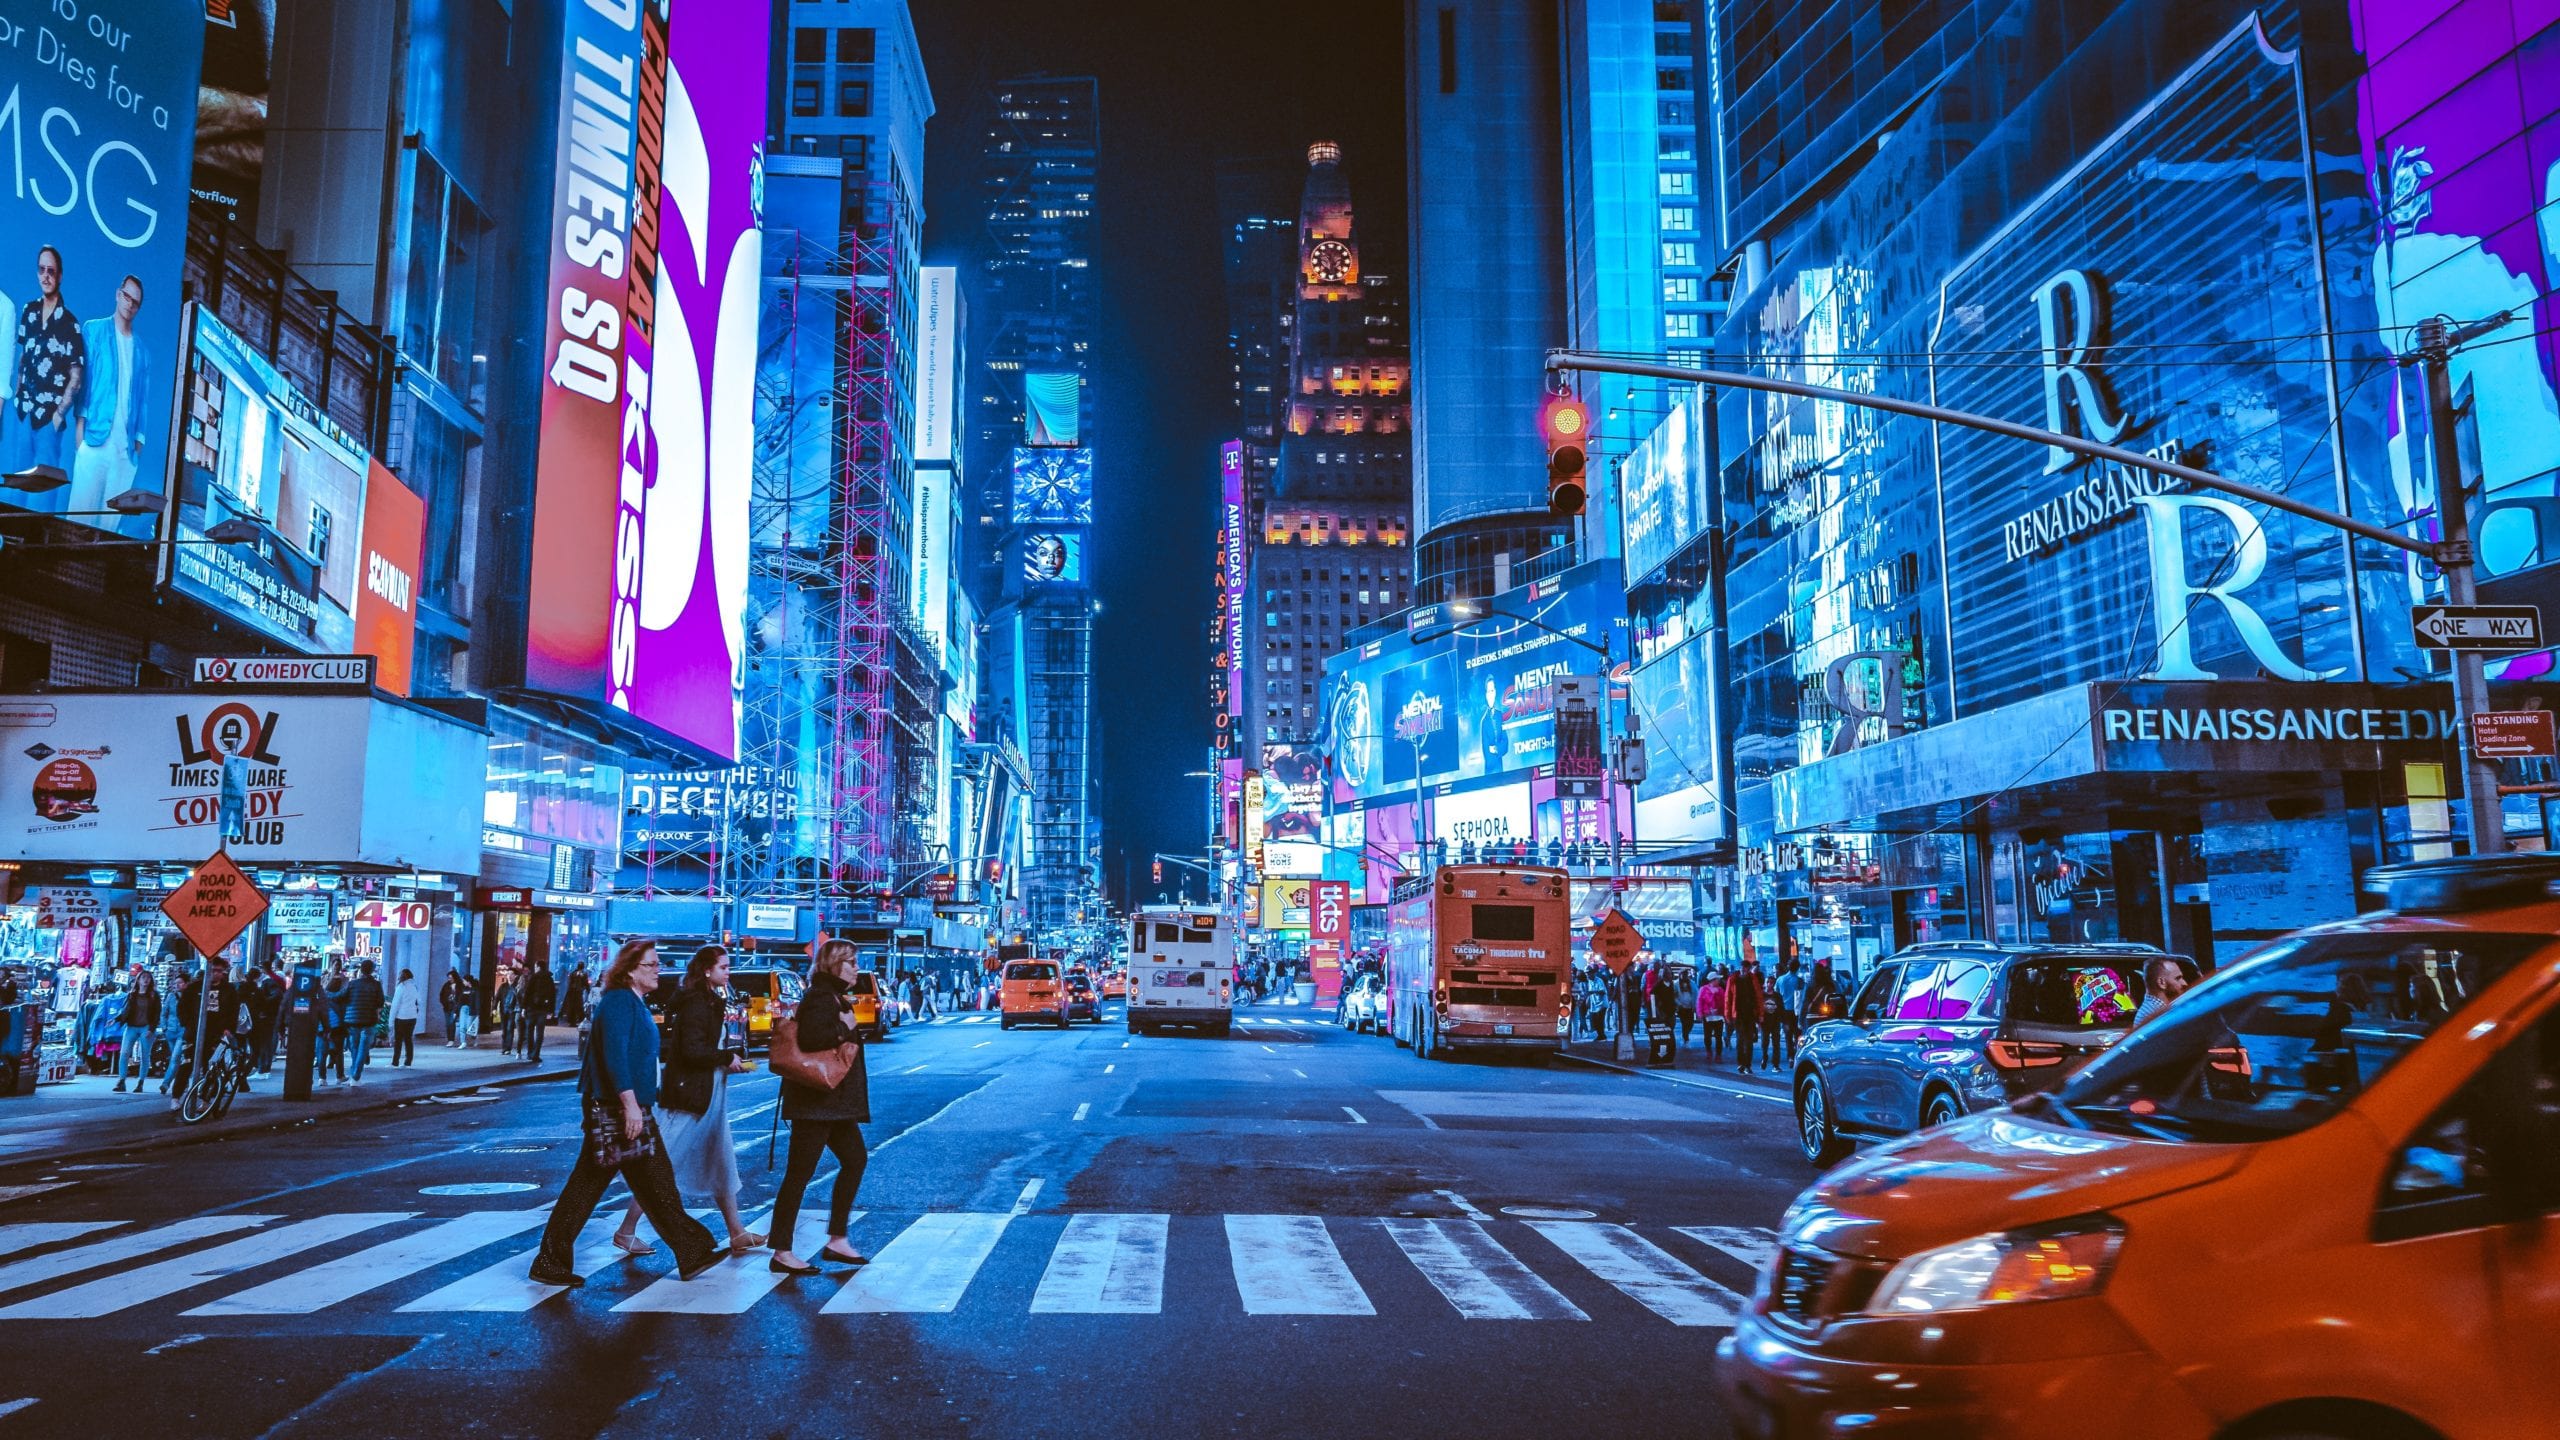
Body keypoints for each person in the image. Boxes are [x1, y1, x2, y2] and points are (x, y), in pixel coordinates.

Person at [528, 940, 720, 1288]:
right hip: (618, 1108)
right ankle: (693, 1249)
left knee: (644, 1183)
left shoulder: (632, 1002)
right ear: (631, 969)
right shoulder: (618, 1001)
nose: (658, 970)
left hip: (626, 1106)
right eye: (652, 965)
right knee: (631, 1183)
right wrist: (631, 1105)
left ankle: (692, 1250)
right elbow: (614, 1056)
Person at [613, 945, 765, 1258]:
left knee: (721, 1161)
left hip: (708, 1093)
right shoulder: (698, 1003)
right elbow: (692, 1051)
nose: (728, 972)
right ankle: (626, 1230)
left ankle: (736, 1232)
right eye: (723, 967)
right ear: (707, 971)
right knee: (662, 1166)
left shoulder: (709, 1000)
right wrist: (726, 1057)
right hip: (690, 1097)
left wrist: (727, 1062)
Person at [768, 938, 873, 1277]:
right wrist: (847, 1027)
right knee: (799, 1174)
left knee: (855, 1160)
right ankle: (782, 1250)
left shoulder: (831, 997)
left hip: (832, 1104)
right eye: (852, 962)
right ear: (835, 965)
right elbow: (813, 1039)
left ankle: (837, 1239)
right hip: (816, 1104)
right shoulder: (819, 998)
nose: (857, 968)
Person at [67, 272, 151, 524]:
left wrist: (137, 447)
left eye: (135, 301)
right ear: (118, 294)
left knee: (109, 527)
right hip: (94, 440)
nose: (129, 304)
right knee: (77, 521)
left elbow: (143, 402)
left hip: (124, 452)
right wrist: (80, 435)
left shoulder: (142, 352)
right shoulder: (94, 330)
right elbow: (86, 382)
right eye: (126, 296)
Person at [5, 245, 82, 484]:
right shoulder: (29, 311)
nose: (46, 276)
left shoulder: (70, 323)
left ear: (59, 275)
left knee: (43, 491)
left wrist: (59, 415)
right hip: (24, 412)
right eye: (41, 270)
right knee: (14, 485)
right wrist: (18, 393)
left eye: (51, 270)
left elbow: (76, 377)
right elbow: (22, 357)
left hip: (49, 420)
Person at [112, 967, 159, 1091]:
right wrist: (116, 1019)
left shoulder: (154, 996)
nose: (146, 980)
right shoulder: (132, 995)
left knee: (144, 1055)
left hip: (146, 1027)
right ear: (138, 980)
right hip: (132, 1026)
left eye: (148, 978)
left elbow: (157, 1014)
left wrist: (152, 1029)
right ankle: (121, 1080)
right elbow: (126, 1010)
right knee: (124, 1053)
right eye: (143, 978)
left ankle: (141, 1082)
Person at [345, 960, 386, 1082]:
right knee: (363, 1048)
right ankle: (356, 1075)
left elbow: (342, 996)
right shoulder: (376, 985)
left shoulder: (352, 984)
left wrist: (329, 994)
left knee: (354, 1047)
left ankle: (354, 1071)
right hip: (369, 1019)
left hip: (353, 1019)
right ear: (372, 970)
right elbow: (380, 1002)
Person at [1727, 956, 1767, 1078]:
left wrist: (1760, 1014)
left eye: (1746, 968)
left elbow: (1758, 997)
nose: (1744, 970)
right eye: (1743, 968)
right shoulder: (1733, 979)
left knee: (1748, 1040)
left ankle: (1747, 1065)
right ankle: (1742, 1063)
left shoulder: (1752, 979)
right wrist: (1728, 1014)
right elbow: (1728, 998)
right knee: (1741, 1039)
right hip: (1738, 1014)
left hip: (1749, 1013)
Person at [248, 960, 285, 1073]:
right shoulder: (266, 982)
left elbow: (277, 995)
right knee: (264, 1043)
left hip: (267, 1017)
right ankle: (262, 1066)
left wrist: (264, 1004)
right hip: (265, 1016)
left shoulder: (267, 982)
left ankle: (263, 1067)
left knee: (265, 1043)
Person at [2135, 956, 2194, 1026]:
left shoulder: (2153, 1010)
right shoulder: (2155, 1015)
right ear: (2161, 983)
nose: (2184, 983)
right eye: (2178, 978)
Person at [1772, 958, 1807, 1066]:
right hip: (1796, 1011)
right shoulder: (1799, 981)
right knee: (1798, 1033)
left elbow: (1775, 993)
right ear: (1797, 968)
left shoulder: (1780, 979)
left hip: (1784, 1011)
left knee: (1787, 1034)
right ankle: (1797, 1055)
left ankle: (1790, 1057)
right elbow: (1804, 997)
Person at [389, 968, 425, 1066]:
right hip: (412, 1017)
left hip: (401, 1017)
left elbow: (395, 1004)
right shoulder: (414, 987)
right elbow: (419, 1001)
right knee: (408, 1040)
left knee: (398, 1040)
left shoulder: (401, 987)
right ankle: (408, 1062)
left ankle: (395, 1062)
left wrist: (391, 1021)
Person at [522, 964, 557, 1063]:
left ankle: (530, 1053)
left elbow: (527, 993)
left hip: (531, 1009)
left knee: (529, 1031)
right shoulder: (549, 979)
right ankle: (536, 1054)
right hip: (543, 1009)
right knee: (540, 1033)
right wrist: (551, 1010)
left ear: (538, 967)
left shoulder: (533, 977)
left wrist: (524, 1007)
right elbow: (552, 996)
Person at [1698, 966, 1727, 1064]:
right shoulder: (1703, 989)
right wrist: (1700, 1013)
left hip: (1718, 1016)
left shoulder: (1721, 990)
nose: (1718, 981)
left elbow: (1724, 1002)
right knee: (1707, 1036)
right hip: (1708, 1016)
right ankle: (1709, 1052)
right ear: (1712, 980)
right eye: (1717, 979)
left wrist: (1724, 1013)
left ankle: (1718, 1055)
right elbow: (1699, 1002)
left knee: (1719, 1036)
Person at [439, 969, 466, 1046]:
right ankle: (449, 1039)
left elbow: (461, 995)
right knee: (448, 1023)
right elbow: (441, 995)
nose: (449, 979)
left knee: (451, 1022)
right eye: (448, 978)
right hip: (447, 1007)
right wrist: (444, 1003)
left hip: (455, 1007)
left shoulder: (460, 985)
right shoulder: (446, 985)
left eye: (451, 978)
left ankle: (451, 1040)